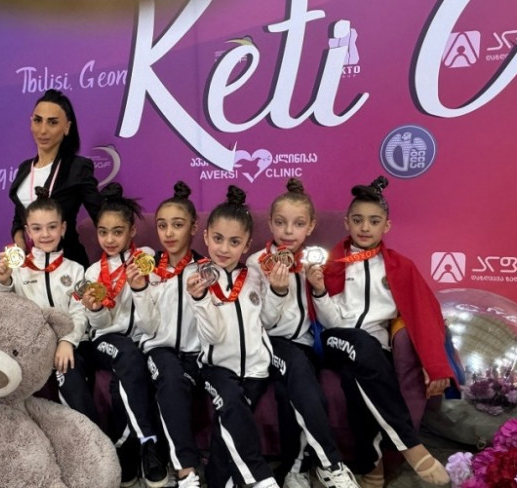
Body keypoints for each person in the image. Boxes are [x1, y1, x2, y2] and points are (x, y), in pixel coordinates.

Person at [306, 176, 452, 487]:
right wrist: (319, 291)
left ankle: (371, 465)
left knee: (357, 380)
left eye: (374, 221)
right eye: (358, 220)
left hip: (375, 350)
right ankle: (410, 445)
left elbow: (425, 314)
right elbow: (329, 322)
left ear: (387, 226)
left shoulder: (400, 266)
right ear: (347, 222)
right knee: (361, 344)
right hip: (337, 340)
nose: (365, 227)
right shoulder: (333, 263)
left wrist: (435, 364)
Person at [247, 179, 359, 488]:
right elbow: (260, 323)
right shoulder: (256, 264)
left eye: (298, 224)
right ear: (270, 223)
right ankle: (331, 464)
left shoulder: (315, 261)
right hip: (269, 344)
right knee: (295, 365)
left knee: (295, 390)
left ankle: (294, 469)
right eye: (280, 223)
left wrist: (319, 289)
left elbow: (334, 324)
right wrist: (277, 291)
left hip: (306, 346)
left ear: (310, 227)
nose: (288, 231)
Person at [186, 185, 286, 488]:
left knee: (230, 423)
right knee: (230, 403)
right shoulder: (195, 276)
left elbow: (267, 320)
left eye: (234, 242)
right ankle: (261, 478)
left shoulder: (254, 275)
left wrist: (278, 291)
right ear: (206, 237)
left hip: (256, 369)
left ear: (246, 245)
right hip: (217, 368)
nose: (224, 248)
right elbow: (213, 336)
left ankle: (219, 480)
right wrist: (201, 300)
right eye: (217, 238)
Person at [80, 182, 168, 488]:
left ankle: (126, 450)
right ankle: (150, 443)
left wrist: (141, 288)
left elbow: (152, 325)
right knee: (127, 354)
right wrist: (94, 310)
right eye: (103, 232)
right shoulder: (92, 273)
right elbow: (99, 325)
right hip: (105, 341)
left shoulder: (146, 261)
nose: (109, 239)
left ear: (132, 231)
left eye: (117, 232)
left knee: (125, 379)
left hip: (142, 339)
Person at [0, 187, 98, 424]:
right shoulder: (17, 269)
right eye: (37, 228)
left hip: (70, 344)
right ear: (28, 231)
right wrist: (2, 281)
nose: (45, 234)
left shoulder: (76, 270)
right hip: (32, 346)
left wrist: (67, 341)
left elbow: (80, 312)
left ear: (63, 228)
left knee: (70, 371)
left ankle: (91, 436)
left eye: (52, 227)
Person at [127, 182, 203, 488]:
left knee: (178, 384)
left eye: (178, 225)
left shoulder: (205, 269)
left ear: (194, 228)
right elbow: (147, 328)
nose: (169, 233)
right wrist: (140, 289)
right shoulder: (148, 268)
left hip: (195, 355)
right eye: (162, 225)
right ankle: (187, 472)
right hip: (159, 350)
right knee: (170, 379)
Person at [9, 89, 103, 267]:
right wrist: (20, 245)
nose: (43, 130)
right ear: (31, 123)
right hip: (32, 267)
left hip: (68, 266)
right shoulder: (24, 168)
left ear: (67, 127)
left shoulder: (77, 167)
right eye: (38, 120)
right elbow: (19, 218)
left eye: (52, 122)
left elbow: (102, 217)